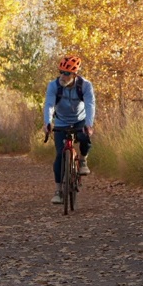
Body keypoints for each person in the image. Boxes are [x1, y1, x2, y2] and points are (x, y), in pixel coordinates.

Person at [43, 55, 95, 204]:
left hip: (80, 120)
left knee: (85, 137)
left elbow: (90, 105)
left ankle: (83, 160)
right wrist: (47, 123)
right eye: (61, 72)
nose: (63, 76)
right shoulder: (53, 86)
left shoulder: (85, 86)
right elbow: (49, 105)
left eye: (67, 73)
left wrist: (89, 124)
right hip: (61, 122)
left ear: (75, 75)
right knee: (60, 155)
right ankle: (58, 190)